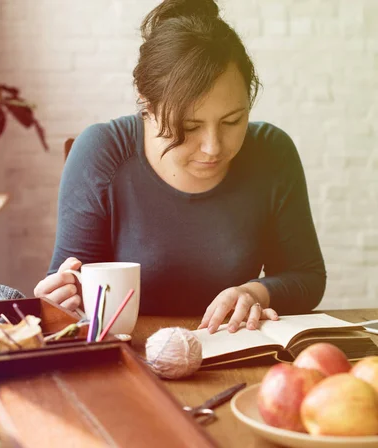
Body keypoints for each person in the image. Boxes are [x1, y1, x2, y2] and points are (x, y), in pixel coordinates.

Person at [34, 0, 326, 334]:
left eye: (233, 120)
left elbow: (307, 276)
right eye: (188, 126)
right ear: (146, 102)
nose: (214, 147)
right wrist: (56, 298)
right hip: (129, 359)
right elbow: (69, 286)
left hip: (236, 355)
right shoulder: (103, 153)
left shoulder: (272, 153)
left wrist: (255, 292)